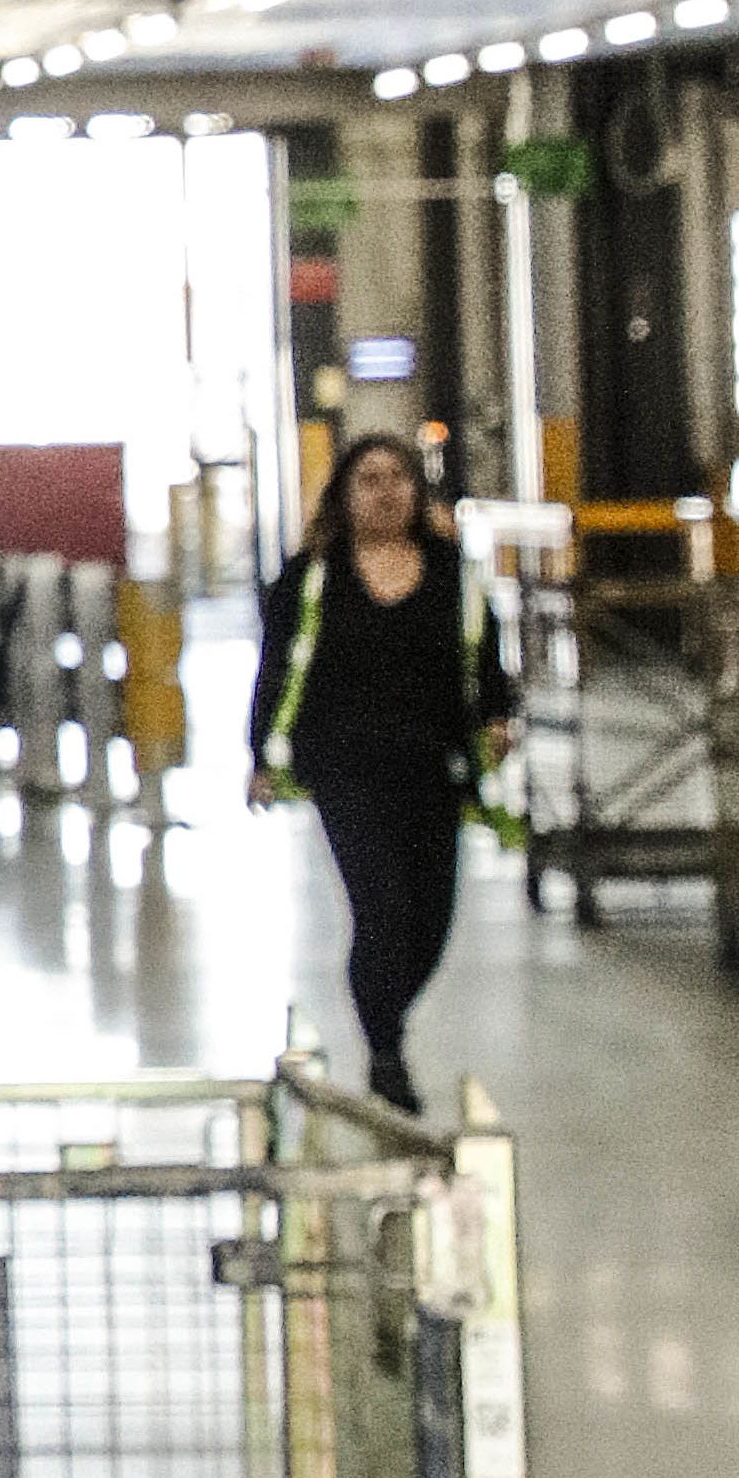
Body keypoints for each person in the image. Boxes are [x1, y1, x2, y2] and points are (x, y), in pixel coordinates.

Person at [251, 432, 516, 1112]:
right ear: (343, 491)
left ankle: (383, 1018)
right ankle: (386, 1055)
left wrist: (496, 716)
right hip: (345, 770)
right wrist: (259, 754)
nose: (385, 489)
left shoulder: (452, 570)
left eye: (397, 476)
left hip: (432, 767)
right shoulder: (310, 574)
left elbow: (483, 655)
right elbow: (276, 669)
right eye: (368, 477)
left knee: (430, 921)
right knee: (381, 909)